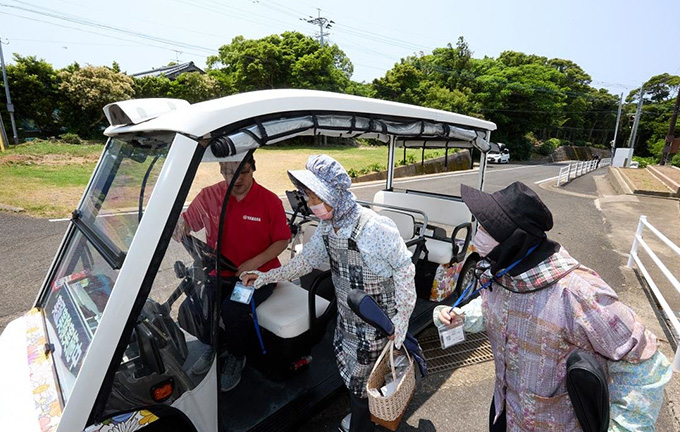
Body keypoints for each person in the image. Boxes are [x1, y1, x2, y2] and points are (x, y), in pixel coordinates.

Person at [434, 181, 672, 431]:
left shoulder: (577, 293)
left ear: (514, 239)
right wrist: (461, 316)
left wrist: (622, 427)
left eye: (486, 228)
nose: (477, 233)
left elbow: (645, 365)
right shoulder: (504, 273)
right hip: (504, 411)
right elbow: (491, 307)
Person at [242, 154, 417, 432]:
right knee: (355, 380)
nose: (312, 206)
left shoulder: (374, 227)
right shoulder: (327, 227)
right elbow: (304, 261)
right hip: (347, 319)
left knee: (364, 382)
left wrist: (403, 319)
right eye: (308, 198)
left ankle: (362, 423)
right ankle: (363, 415)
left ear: (334, 193)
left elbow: (404, 269)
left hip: (376, 325)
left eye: (315, 198)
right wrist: (265, 277)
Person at [172, 154, 291, 391]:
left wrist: (254, 262)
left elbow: (282, 239)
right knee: (200, 304)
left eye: (243, 172)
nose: (235, 179)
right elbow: (189, 221)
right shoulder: (210, 195)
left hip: (258, 276)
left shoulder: (269, 201)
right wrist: (180, 225)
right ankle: (214, 346)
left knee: (232, 309)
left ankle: (237, 356)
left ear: (253, 170)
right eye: (227, 171)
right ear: (220, 170)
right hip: (220, 271)